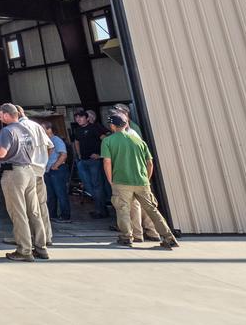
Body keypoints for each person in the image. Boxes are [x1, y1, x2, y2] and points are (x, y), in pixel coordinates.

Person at [101, 113, 178, 249]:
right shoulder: (139, 141)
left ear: (112, 126)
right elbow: (150, 163)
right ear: (126, 124)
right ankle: (168, 237)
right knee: (152, 210)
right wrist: (146, 179)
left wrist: (110, 180)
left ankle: (126, 237)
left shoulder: (108, 141)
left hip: (121, 181)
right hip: (142, 182)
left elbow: (107, 162)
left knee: (123, 210)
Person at [0, 102, 49, 262]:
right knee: (34, 210)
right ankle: (41, 247)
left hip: (14, 173)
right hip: (29, 170)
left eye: (1, 114)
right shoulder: (27, 130)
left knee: (18, 212)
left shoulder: (7, 131)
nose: (0, 117)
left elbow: (2, 153)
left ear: (7, 115)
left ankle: (24, 250)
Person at [109, 104, 160, 242]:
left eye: (116, 116)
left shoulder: (131, 133)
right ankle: (149, 232)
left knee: (135, 206)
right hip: (140, 176)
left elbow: (145, 158)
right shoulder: (130, 132)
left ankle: (139, 234)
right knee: (144, 205)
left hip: (132, 176)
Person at [18, 106, 55, 247]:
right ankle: (47, 236)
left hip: (29, 171)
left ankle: (33, 238)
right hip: (40, 171)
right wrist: (43, 161)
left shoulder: (20, 127)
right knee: (42, 205)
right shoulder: (38, 126)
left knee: (29, 207)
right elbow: (50, 146)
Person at [71, 109, 109, 219]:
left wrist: (101, 155)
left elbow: (106, 140)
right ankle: (100, 208)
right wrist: (79, 156)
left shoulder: (94, 127)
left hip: (95, 162)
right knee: (88, 186)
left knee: (97, 186)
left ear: (87, 118)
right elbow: (76, 142)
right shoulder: (77, 130)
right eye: (76, 117)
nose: (78, 119)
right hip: (83, 161)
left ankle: (101, 211)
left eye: (81, 117)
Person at [44, 121, 71, 222]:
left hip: (57, 170)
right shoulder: (47, 140)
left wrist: (55, 165)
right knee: (51, 194)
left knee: (61, 193)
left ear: (49, 129)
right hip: (49, 171)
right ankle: (52, 215)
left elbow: (63, 154)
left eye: (43, 128)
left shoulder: (56, 140)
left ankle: (65, 216)